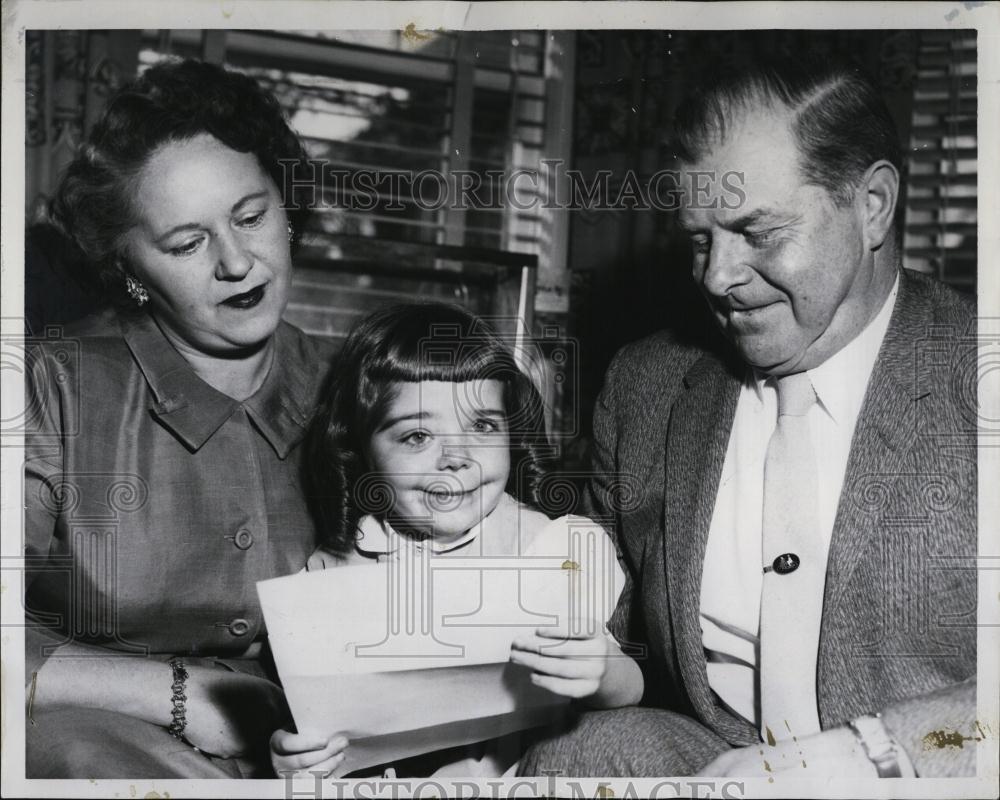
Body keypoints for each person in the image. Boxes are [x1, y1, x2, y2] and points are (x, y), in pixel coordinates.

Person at [519, 55, 978, 778]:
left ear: (873, 205)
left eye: (758, 233)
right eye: (700, 239)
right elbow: (610, 634)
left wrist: (867, 759)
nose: (716, 277)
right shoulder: (646, 385)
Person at [23, 59, 336, 778]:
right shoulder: (50, 387)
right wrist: (176, 695)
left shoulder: (366, 384)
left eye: (252, 216)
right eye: (187, 243)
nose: (236, 262)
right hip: (105, 747)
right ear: (131, 270)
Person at [268, 303, 642, 778]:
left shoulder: (552, 550)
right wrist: (295, 757)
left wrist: (603, 669)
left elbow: (632, 688)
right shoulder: (337, 571)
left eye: (482, 425)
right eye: (418, 436)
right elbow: (308, 722)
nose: (457, 457)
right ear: (360, 450)